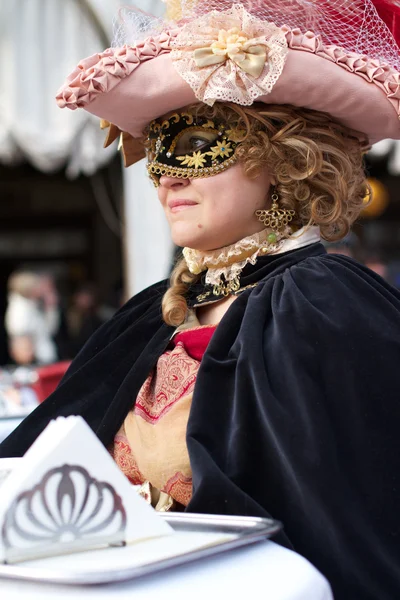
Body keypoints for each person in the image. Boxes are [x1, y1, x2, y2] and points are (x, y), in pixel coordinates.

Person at [1, 1, 400, 597]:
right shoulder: (151, 312)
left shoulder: (323, 306)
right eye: (157, 148)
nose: (167, 177)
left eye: (195, 142)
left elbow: (351, 540)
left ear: (285, 156)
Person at [4, 271, 60, 365]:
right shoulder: (19, 309)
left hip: (45, 358)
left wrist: (51, 308)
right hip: (35, 362)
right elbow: (21, 345)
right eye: (37, 286)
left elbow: (50, 330)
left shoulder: (33, 305)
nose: (40, 289)